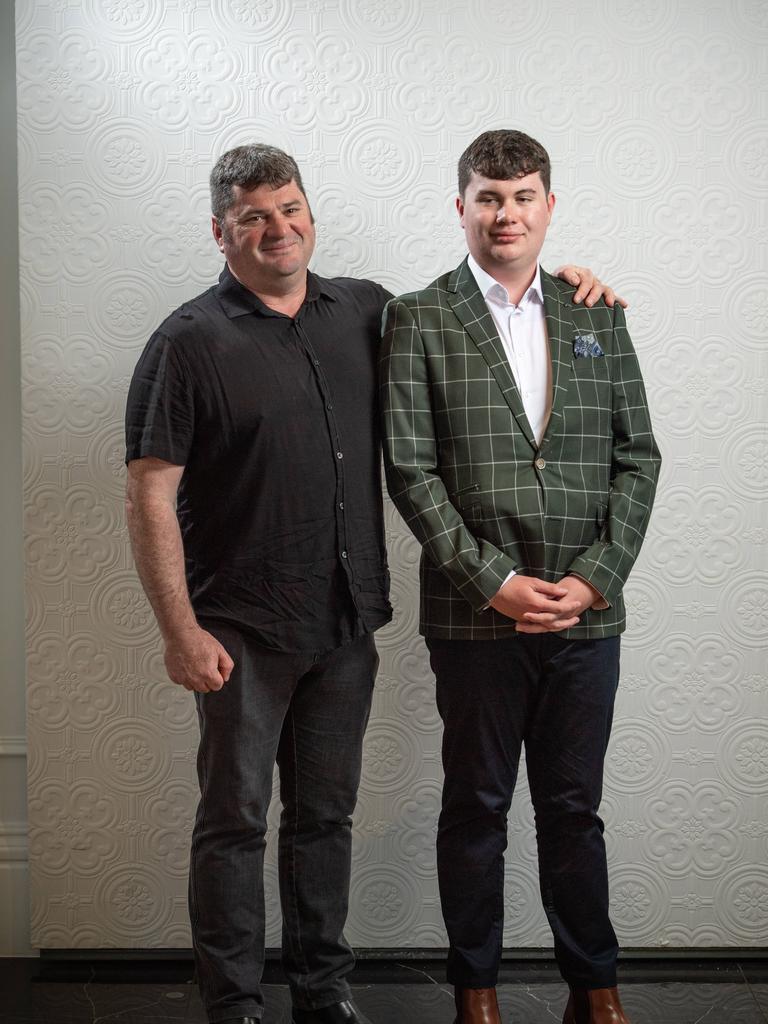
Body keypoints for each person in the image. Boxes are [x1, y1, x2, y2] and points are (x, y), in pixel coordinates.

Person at [125, 142, 623, 1024]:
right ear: (220, 230)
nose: (277, 229)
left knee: (325, 819)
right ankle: (235, 1004)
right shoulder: (186, 342)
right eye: (252, 217)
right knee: (235, 821)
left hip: (345, 621)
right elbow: (149, 493)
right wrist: (179, 630)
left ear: (310, 215)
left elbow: (482, 314)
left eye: (289, 210)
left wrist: (575, 284)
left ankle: (324, 994)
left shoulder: (366, 311)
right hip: (238, 625)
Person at [380, 130, 661, 1024]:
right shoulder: (417, 319)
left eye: (524, 197)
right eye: (489, 198)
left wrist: (597, 578)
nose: (507, 214)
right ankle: (477, 992)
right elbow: (410, 468)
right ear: (459, 206)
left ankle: (596, 986)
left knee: (575, 811)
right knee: (477, 807)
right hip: (475, 617)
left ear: (549, 206)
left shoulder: (597, 314)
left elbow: (638, 459)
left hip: (588, 614)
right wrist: (491, 580)